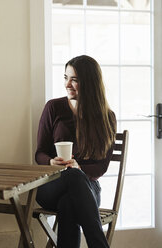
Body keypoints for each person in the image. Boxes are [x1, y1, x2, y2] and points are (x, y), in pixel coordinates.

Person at [35, 55, 116, 248]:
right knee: (72, 176)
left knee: (69, 203)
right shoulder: (54, 107)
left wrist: (79, 167)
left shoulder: (106, 117)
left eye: (75, 79)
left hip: (88, 187)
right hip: (52, 184)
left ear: (89, 83)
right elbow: (39, 153)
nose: (67, 84)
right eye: (65, 77)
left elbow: (101, 167)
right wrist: (51, 162)